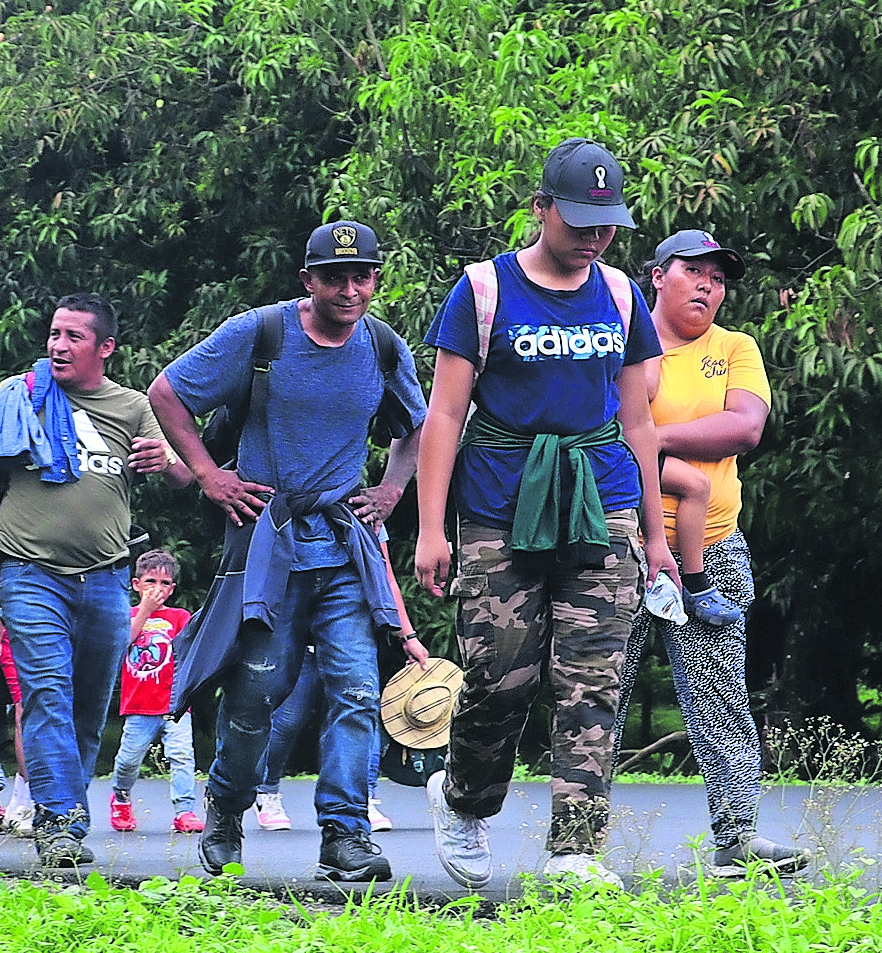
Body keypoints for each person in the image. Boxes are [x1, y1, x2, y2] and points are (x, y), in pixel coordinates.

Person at [416, 138, 679, 889]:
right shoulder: (483, 290)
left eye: (606, 223)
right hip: (500, 503)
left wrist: (656, 538)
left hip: (603, 503)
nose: (593, 236)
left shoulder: (624, 295)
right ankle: (463, 797)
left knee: (591, 680)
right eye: (578, 221)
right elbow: (444, 415)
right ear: (540, 210)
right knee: (499, 676)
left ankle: (575, 849)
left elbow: (639, 422)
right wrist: (431, 529)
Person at [151, 219, 426, 883]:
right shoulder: (262, 333)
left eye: (361, 276)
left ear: (375, 280)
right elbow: (167, 393)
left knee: (356, 689)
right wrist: (211, 476)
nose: (349, 288)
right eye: (334, 276)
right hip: (267, 544)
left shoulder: (383, 347)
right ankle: (225, 808)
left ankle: (345, 834)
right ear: (308, 280)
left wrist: (390, 491)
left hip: (340, 546)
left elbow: (415, 427)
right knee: (257, 693)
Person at [0, 294, 192, 868]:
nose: (58, 346)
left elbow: (187, 475)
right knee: (46, 696)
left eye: (73, 337)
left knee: (89, 706)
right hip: (30, 575)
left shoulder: (133, 407)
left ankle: (66, 814)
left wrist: (166, 461)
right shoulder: (19, 397)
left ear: (105, 348)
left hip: (109, 579)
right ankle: (59, 817)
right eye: (54, 334)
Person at [614, 228, 808, 877]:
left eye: (718, 277)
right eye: (692, 270)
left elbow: (744, 426)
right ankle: (576, 843)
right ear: (656, 276)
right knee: (594, 695)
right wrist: (643, 443)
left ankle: (737, 837)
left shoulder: (735, 348)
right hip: (619, 541)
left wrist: (651, 436)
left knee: (721, 695)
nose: (706, 284)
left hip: (712, 546)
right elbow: (600, 433)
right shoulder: (621, 341)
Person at [107, 549, 201, 834]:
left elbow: (191, 651)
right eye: (150, 582)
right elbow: (122, 642)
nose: (156, 589)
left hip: (174, 705)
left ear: (172, 589)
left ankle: (185, 811)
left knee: (183, 755)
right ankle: (121, 797)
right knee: (128, 760)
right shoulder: (127, 614)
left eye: (164, 584)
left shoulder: (179, 616)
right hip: (139, 705)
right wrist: (145, 610)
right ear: (136, 584)